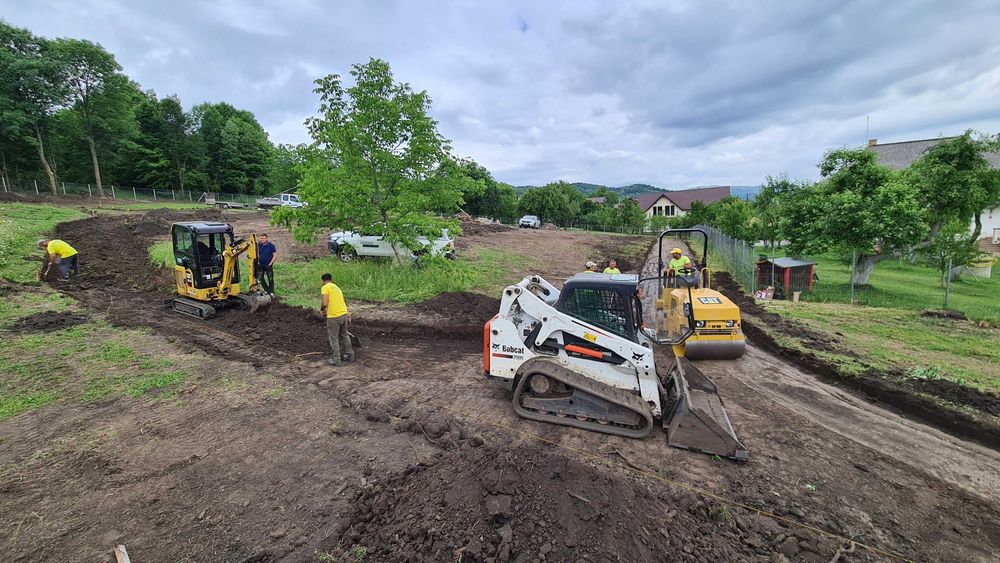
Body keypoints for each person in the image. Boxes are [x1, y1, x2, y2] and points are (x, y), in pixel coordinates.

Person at [320, 273, 354, 366]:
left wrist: (322, 310)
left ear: (323, 281)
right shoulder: (337, 287)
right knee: (344, 335)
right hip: (344, 314)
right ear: (331, 279)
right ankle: (350, 355)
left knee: (334, 338)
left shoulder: (325, 287)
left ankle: (336, 359)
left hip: (334, 317)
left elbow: (325, 302)